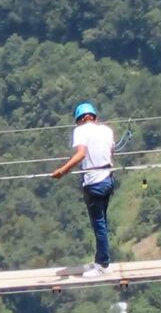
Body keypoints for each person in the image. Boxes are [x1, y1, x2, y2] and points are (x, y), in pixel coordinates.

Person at [50, 101, 119, 276]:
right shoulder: (107, 130)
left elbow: (81, 154)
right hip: (108, 179)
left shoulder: (80, 131)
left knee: (99, 225)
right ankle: (100, 260)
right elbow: (111, 152)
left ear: (79, 119)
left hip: (93, 183)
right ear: (94, 117)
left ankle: (103, 265)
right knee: (102, 222)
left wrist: (62, 171)